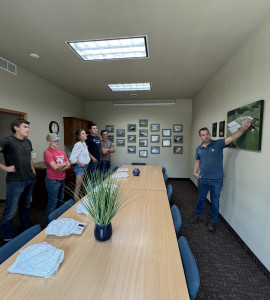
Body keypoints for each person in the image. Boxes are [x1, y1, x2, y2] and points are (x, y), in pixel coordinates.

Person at [192, 119, 252, 232]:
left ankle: (213, 222)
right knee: (200, 199)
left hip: (216, 180)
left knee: (215, 201)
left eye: (207, 134)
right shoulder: (198, 149)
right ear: (200, 137)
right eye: (203, 135)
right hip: (203, 179)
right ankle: (198, 216)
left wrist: (242, 129)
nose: (206, 136)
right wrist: (195, 172)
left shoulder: (218, 143)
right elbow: (197, 161)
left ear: (209, 134)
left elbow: (232, 138)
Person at [0, 119, 36, 243]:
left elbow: (29, 157)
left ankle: (26, 227)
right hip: (15, 181)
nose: (28, 129)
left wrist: (33, 170)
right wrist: (5, 168)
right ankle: (7, 236)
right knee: (11, 209)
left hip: (29, 179)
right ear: (16, 127)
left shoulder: (28, 141)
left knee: (26, 205)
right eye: (25, 127)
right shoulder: (7, 141)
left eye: (28, 127)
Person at [44, 133, 70, 224]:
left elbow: (69, 164)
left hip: (62, 179)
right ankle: (49, 224)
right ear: (48, 141)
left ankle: (58, 220)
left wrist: (60, 166)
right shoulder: (47, 152)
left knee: (61, 200)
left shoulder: (61, 152)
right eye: (54, 140)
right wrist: (63, 165)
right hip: (52, 181)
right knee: (52, 203)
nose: (57, 141)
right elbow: (55, 167)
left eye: (57, 140)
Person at [69, 129, 90, 200]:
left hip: (85, 167)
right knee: (78, 187)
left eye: (85, 133)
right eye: (83, 134)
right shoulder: (78, 144)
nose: (85, 135)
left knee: (83, 187)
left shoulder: (83, 144)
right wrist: (81, 163)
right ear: (79, 137)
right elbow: (72, 158)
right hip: (80, 167)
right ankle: (75, 205)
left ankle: (81, 202)